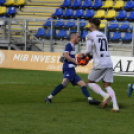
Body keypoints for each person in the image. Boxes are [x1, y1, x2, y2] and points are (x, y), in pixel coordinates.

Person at [45, 32, 100, 105]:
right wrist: (74, 62)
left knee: (83, 84)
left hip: (71, 69)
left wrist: (76, 62)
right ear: (73, 37)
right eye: (78, 37)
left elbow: (62, 58)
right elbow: (65, 55)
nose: (79, 38)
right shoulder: (69, 45)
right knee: (65, 83)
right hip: (68, 69)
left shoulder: (72, 47)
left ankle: (90, 100)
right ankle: (49, 98)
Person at [80, 18, 119, 112]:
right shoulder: (103, 35)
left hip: (100, 63)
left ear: (92, 25)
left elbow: (89, 50)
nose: (89, 26)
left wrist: (83, 55)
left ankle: (104, 95)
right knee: (107, 85)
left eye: (89, 25)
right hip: (109, 62)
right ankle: (115, 106)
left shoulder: (90, 35)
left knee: (90, 82)